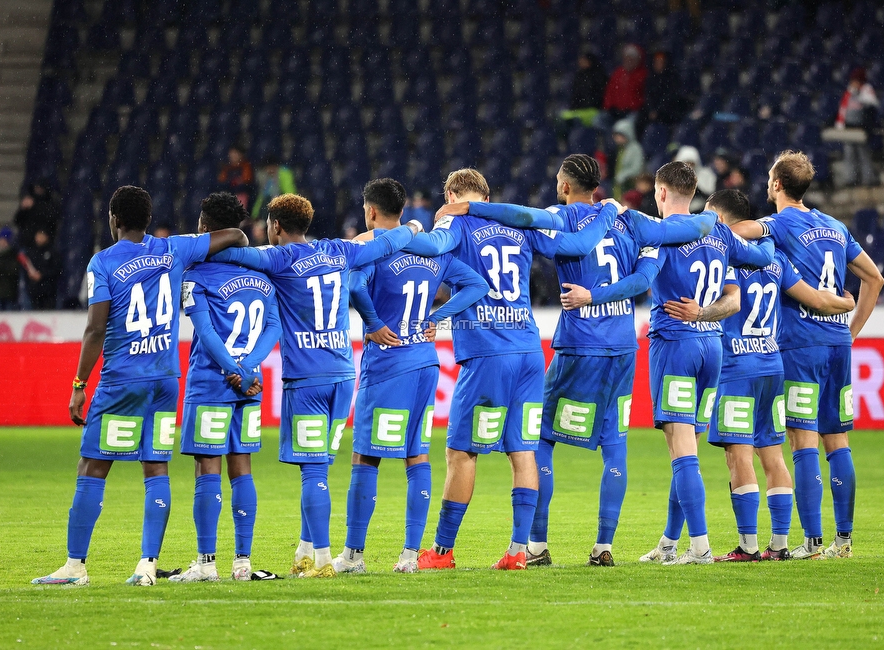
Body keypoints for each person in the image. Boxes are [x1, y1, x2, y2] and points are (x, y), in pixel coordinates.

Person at [457, 156, 715, 567]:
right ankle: (603, 546)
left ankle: (536, 545)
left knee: (540, 440)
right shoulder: (631, 221)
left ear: (564, 186)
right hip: (623, 348)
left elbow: (522, 218)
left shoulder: (560, 216)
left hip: (579, 345)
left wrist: (472, 208)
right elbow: (645, 280)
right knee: (615, 446)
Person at [403, 166, 617, 570]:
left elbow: (433, 249)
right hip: (528, 350)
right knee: (522, 451)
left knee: (462, 452)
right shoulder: (517, 225)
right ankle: (519, 551)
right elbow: (574, 245)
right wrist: (606, 214)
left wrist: (409, 233)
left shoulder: (456, 222)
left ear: (452, 194)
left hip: (488, 352)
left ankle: (442, 552)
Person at [32, 185, 248, 587]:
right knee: (155, 466)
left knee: (93, 466)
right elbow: (236, 235)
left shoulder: (103, 262)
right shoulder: (174, 249)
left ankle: (75, 567)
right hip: (165, 381)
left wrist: (79, 383)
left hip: (122, 381)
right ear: (148, 220)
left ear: (114, 219)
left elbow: (96, 328)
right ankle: (147, 566)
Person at [209, 194, 425, 578]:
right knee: (321, 465)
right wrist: (412, 227)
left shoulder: (278, 257)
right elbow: (388, 241)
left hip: (307, 379)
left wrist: (232, 240)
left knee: (312, 472)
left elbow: (229, 257)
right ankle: (306, 551)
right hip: (343, 377)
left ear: (275, 226)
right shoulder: (339, 251)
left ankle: (323, 560)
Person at [675, 190, 855, 562]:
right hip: (773, 364)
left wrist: (699, 312)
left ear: (721, 220)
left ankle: (748, 546)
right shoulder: (775, 256)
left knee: (738, 456)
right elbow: (814, 297)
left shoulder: (722, 254)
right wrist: (846, 302)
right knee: (773, 454)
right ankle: (779, 544)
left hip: (737, 367)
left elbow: (725, 303)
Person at [728, 151, 884, 560]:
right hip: (838, 344)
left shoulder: (780, 224)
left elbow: (741, 228)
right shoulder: (834, 226)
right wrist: (851, 331)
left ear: (777, 184)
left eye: (768, 178)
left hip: (801, 344)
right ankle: (844, 542)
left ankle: (812, 543)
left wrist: (709, 223)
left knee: (803, 442)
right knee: (838, 441)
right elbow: (875, 278)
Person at [332, 179, 488, 575]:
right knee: (416, 455)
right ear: (402, 210)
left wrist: (372, 322)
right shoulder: (434, 251)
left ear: (370, 212)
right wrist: (437, 317)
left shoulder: (376, 249)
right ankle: (409, 555)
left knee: (365, 456)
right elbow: (476, 285)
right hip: (425, 361)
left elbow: (353, 284)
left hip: (388, 363)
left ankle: (353, 555)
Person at [638, 161, 774, 565]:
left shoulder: (660, 234)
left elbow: (642, 281)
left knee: (681, 453)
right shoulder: (718, 232)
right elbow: (736, 296)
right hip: (711, 349)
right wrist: (769, 229)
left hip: (674, 345)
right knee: (688, 454)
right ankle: (668, 542)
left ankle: (699, 548)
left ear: (661, 193)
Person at [168, 193, 282, 583]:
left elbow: (205, 332)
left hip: (211, 382)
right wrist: (249, 368)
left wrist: (232, 367)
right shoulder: (262, 276)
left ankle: (206, 563)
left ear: (205, 225)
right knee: (243, 469)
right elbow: (274, 328)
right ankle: (243, 563)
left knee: (207, 468)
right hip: (250, 386)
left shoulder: (196, 274)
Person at [835, 68, 879, 187]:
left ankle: (868, 179)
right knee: (849, 154)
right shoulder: (848, 93)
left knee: (863, 154)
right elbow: (842, 110)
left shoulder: (867, 92)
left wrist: (868, 128)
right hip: (849, 128)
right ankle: (851, 178)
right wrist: (840, 125)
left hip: (861, 128)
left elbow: (872, 107)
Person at [560, 50, 608, 129]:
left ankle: (600, 140)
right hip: (579, 111)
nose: (580, 62)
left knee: (599, 120)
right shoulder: (579, 76)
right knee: (561, 118)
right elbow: (575, 97)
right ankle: (564, 141)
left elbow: (601, 96)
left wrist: (592, 105)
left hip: (595, 111)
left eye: (583, 60)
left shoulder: (599, 76)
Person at [603, 44, 647, 126]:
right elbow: (609, 93)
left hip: (632, 111)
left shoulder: (643, 76)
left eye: (631, 59)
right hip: (615, 111)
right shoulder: (617, 74)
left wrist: (630, 108)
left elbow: (643, 97)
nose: (628, 61)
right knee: (599, 120)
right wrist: (610, 107)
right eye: (626, 58)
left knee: (628, 122)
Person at [14, 182, 60, 251]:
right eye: (36, 188)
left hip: (44, 246)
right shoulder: (29, 204)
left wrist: (44, 233)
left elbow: (52, 223)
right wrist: (23, 209)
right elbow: (17, 221)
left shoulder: (50, 205)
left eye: (40, 188)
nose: (38, 190)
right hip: (27, 244)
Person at [24, 229, 62, 310]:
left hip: (49, 290)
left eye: (42, 236)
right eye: (38, 236)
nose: (39, 238)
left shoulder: (52, 251)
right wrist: (31, 275)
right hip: (34, 291)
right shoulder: (31, 252)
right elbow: (26, 268)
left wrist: (42, 275)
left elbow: (57, 269)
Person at [644, 51, 683, 126]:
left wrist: (658, 111)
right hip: (652, 112)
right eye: (656, 62)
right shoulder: (650, 78)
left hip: (668, 112)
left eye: (661, 62)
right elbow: (648, 96)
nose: (658, 65)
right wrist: (651, 110)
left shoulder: (672, 78)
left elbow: (670, 96)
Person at [674, 145, 716, 212]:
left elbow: (710, 196)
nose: (689, 166)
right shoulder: (673, 177)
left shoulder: (706, 175)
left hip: (700, 210)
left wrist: (696, 189)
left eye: (691, 163)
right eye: (686, 163)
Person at [0, 226, 20, 311]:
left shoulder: (13, 255)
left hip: (11, 293)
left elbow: (13, 271)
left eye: (4, 240)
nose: (1, 242)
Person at [611, 119, 645, 197]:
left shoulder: (635, 148)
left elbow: (637, 168)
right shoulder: (620, 149)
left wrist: (623, 176)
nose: (616, 138)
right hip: (619, 187)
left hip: (629, 187)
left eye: (620, 135)